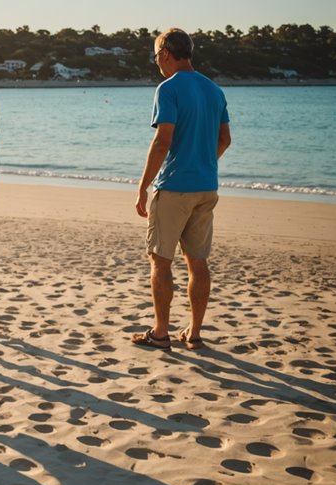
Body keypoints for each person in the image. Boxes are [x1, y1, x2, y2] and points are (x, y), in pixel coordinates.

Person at [132, 28, 231, 350]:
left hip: (175, 187)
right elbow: (225, 139)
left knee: (160, 261)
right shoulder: (214, 89)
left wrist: (143, 186)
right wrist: (203, 163)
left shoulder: (168, 88)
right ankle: (194, 332)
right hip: (206, 186)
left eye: (156, 57)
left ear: (165, 54)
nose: (157, 63)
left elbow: (163, 141)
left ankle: (161, 333)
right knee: (197, 262)